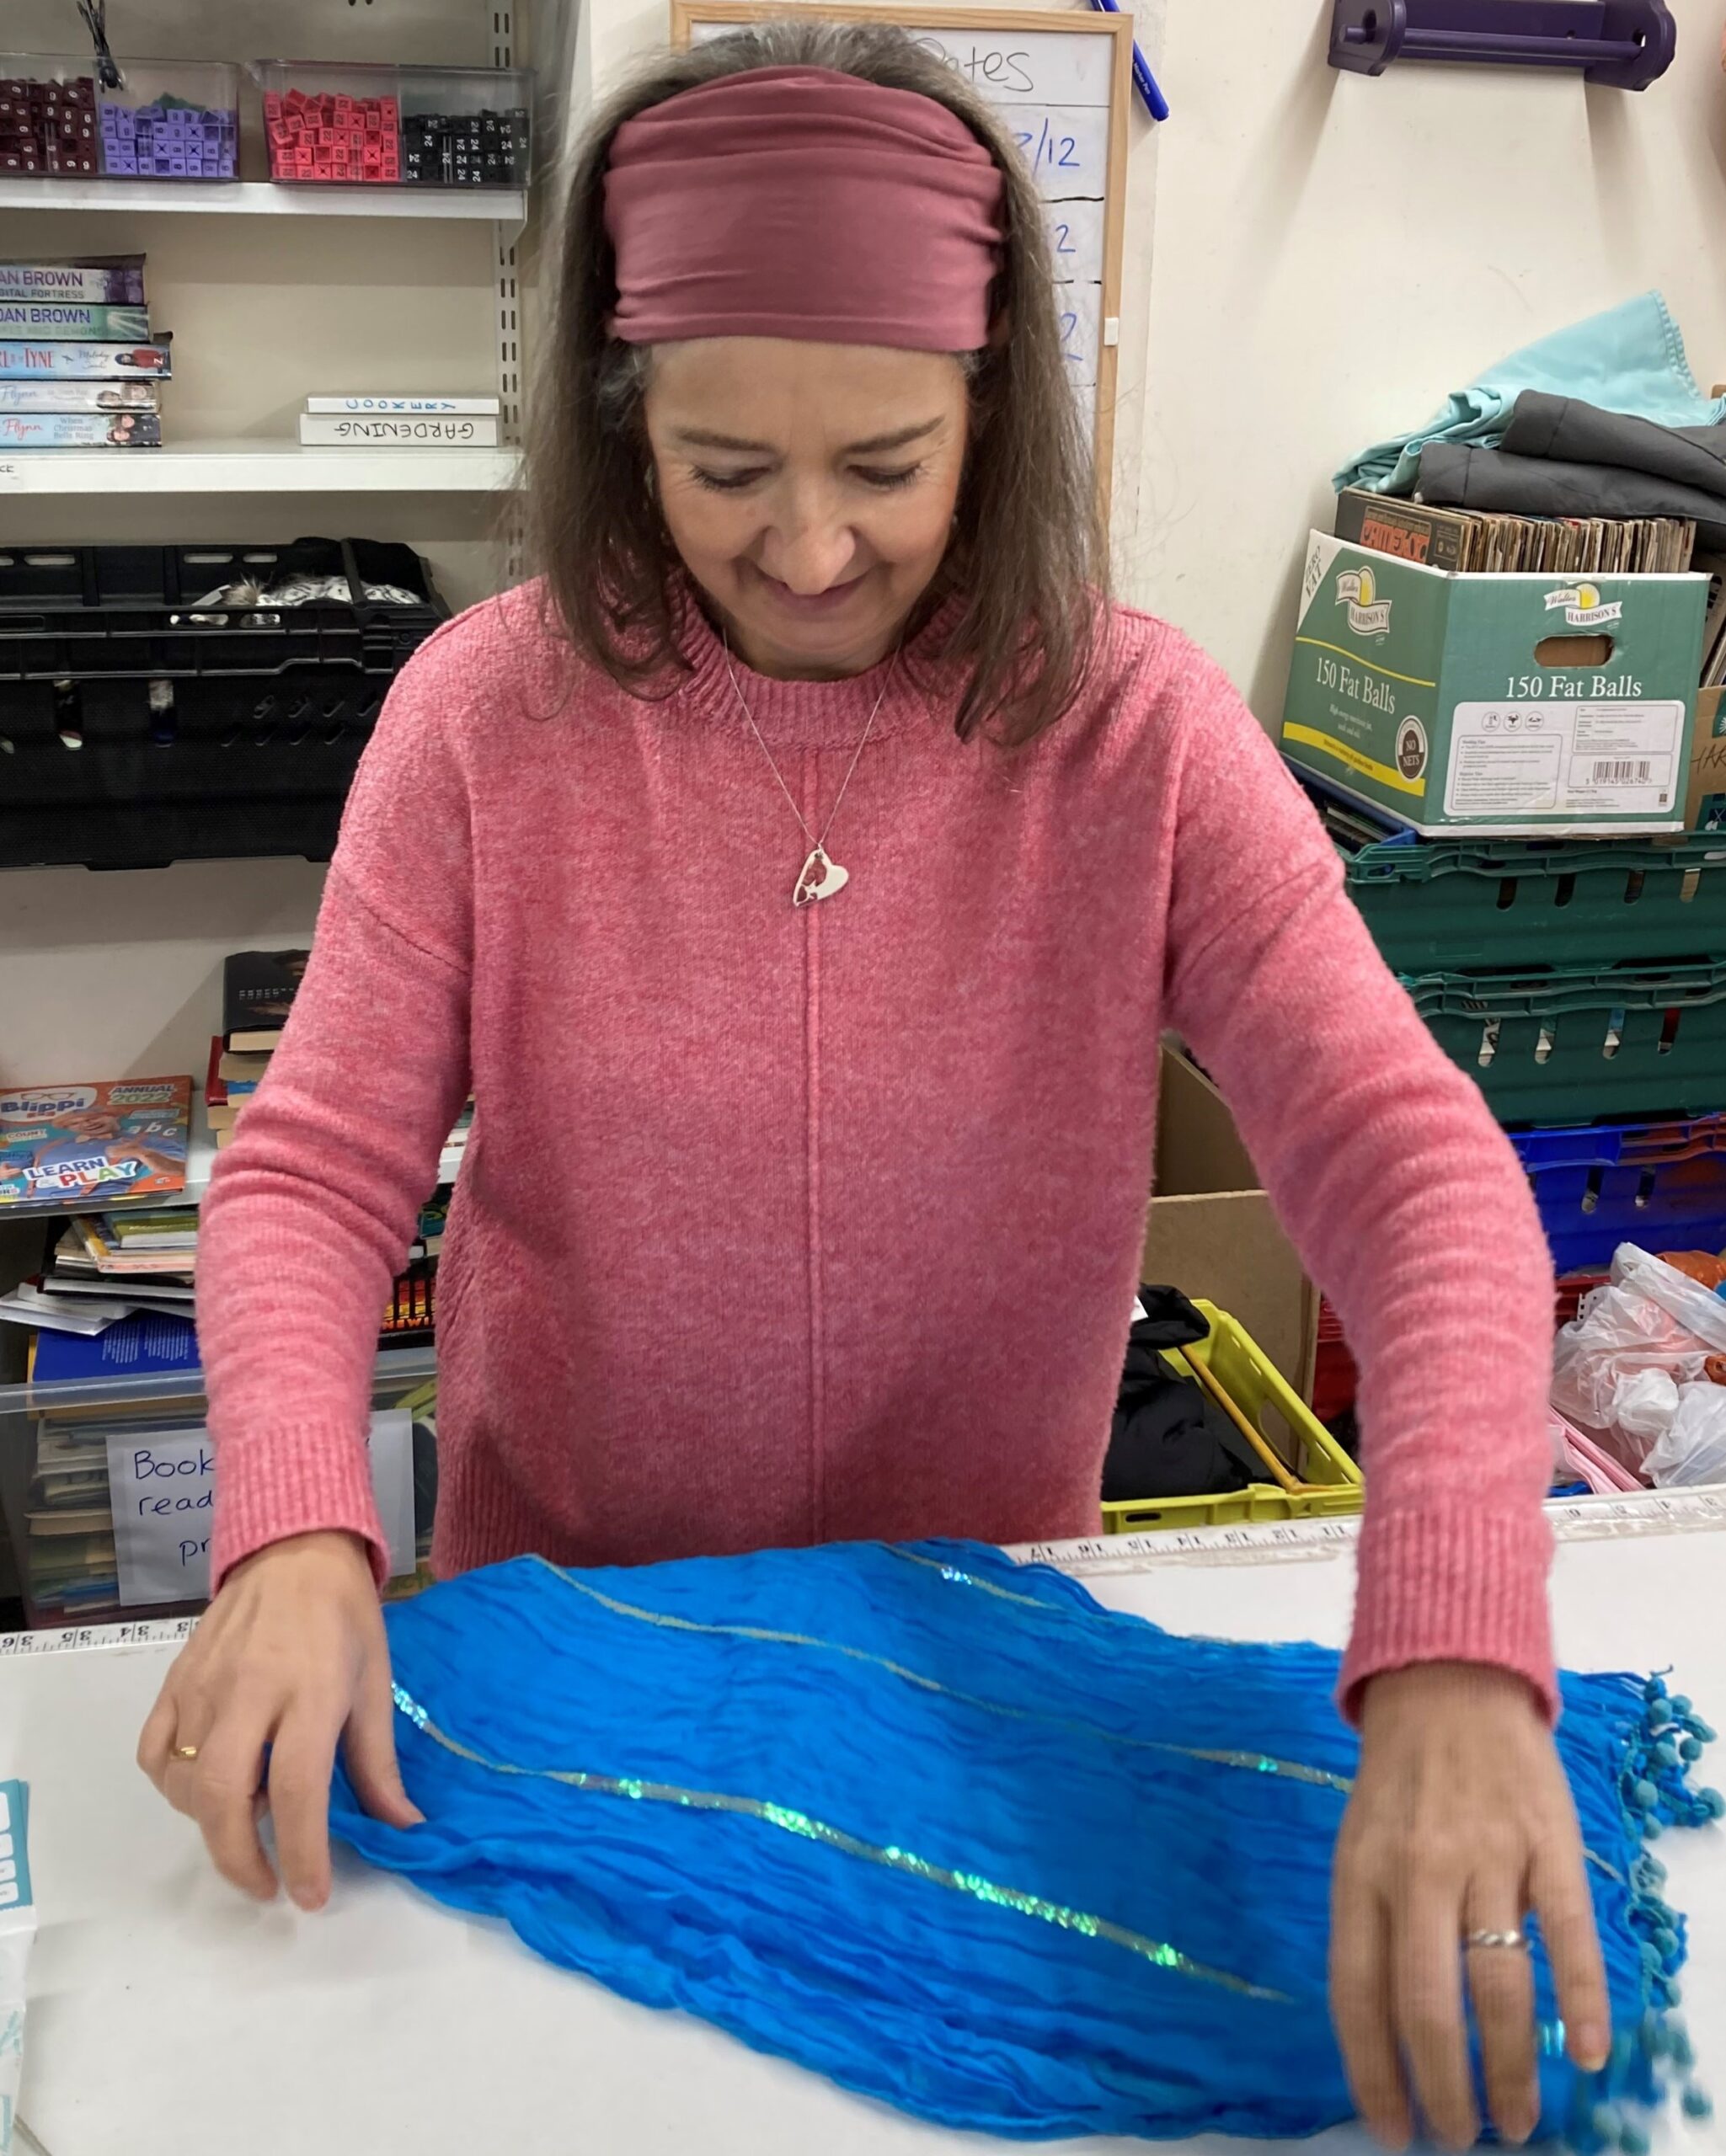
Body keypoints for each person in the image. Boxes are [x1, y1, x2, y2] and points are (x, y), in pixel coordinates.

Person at [139, 23, 1606, 2148]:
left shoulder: (1134, 729)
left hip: (985, 1664)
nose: (807, 546)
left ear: (990, 417)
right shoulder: (483, 716)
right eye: (726, 469)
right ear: (620, 416)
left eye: (883, 465)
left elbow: (1408, 1166)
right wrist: (295, 1522)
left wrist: (1456, 1637)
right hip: (577, 1661)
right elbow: (310, 1176)